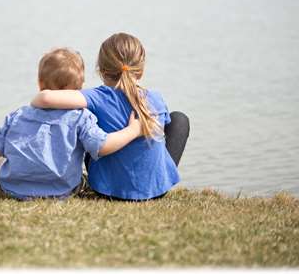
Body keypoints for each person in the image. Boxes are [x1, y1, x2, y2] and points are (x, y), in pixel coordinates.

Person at [31, 33, 190, 201]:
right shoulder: (156, 99)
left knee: (86, 119)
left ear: (101, 70)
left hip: (107, 190)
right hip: (157, 192)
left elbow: (45, 98)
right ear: (141, 71)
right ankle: (159, 177)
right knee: (179, 120)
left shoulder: (95, 97)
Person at [0, 48, 142, 200]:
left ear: (39, 84)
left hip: (14, 187)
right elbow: (101, 145)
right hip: (62, 190)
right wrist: (132, 130)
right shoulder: (81, 117)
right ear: (79, 88)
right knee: (80, 175)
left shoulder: (17, 115)